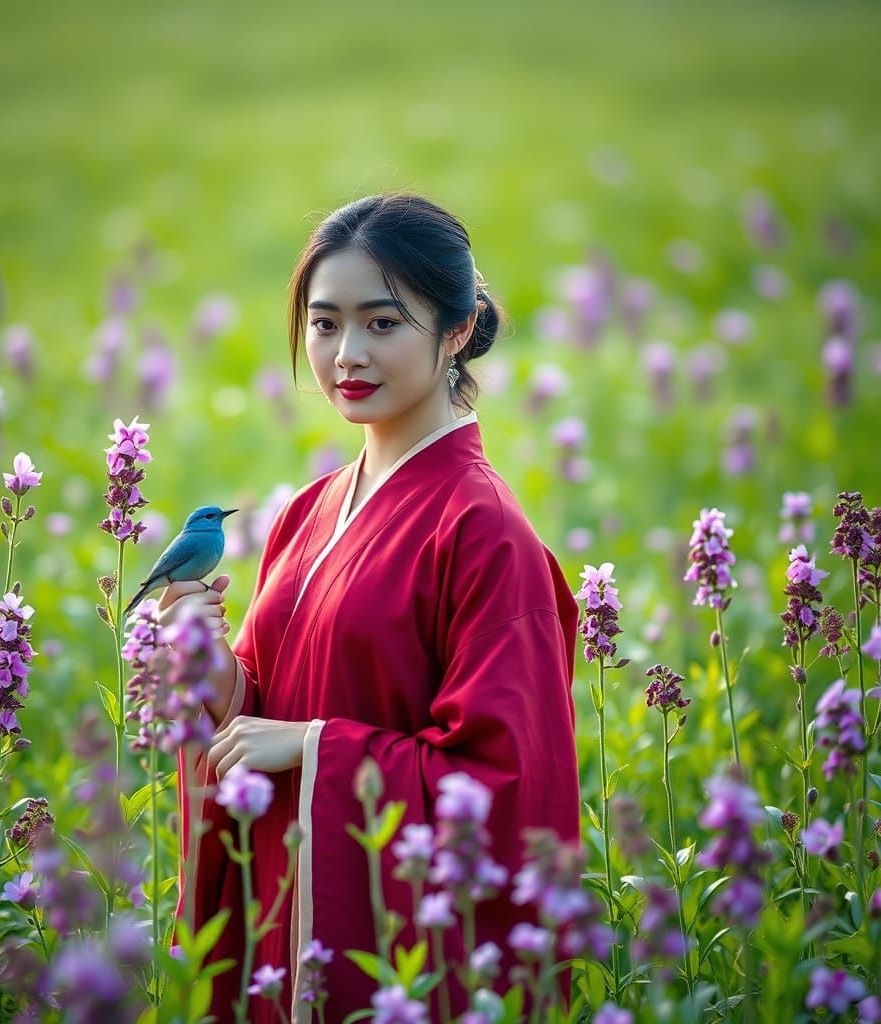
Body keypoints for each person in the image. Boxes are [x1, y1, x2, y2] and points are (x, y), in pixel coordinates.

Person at [162, 192, 580, 1022]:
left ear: (456, 330)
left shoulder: (485, 530)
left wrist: (316, 748)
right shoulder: (308, 508)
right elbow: (268, 714)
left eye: (382, 324)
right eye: (324, 324)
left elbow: (504, 785)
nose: (347, 354)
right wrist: (213, 677)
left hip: (389, 954)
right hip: (285, 918)